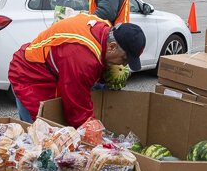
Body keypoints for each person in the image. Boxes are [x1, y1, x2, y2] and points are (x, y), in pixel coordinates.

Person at [8, 13, 146, 127]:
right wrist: (96, 136)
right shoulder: (82, 58)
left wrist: (106, 76)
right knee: (39, 135)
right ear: (112, 47)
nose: (123, 64)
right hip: (30, 77)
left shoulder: (105, 29)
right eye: (124, 59)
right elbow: (78, 111)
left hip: (53, 72)